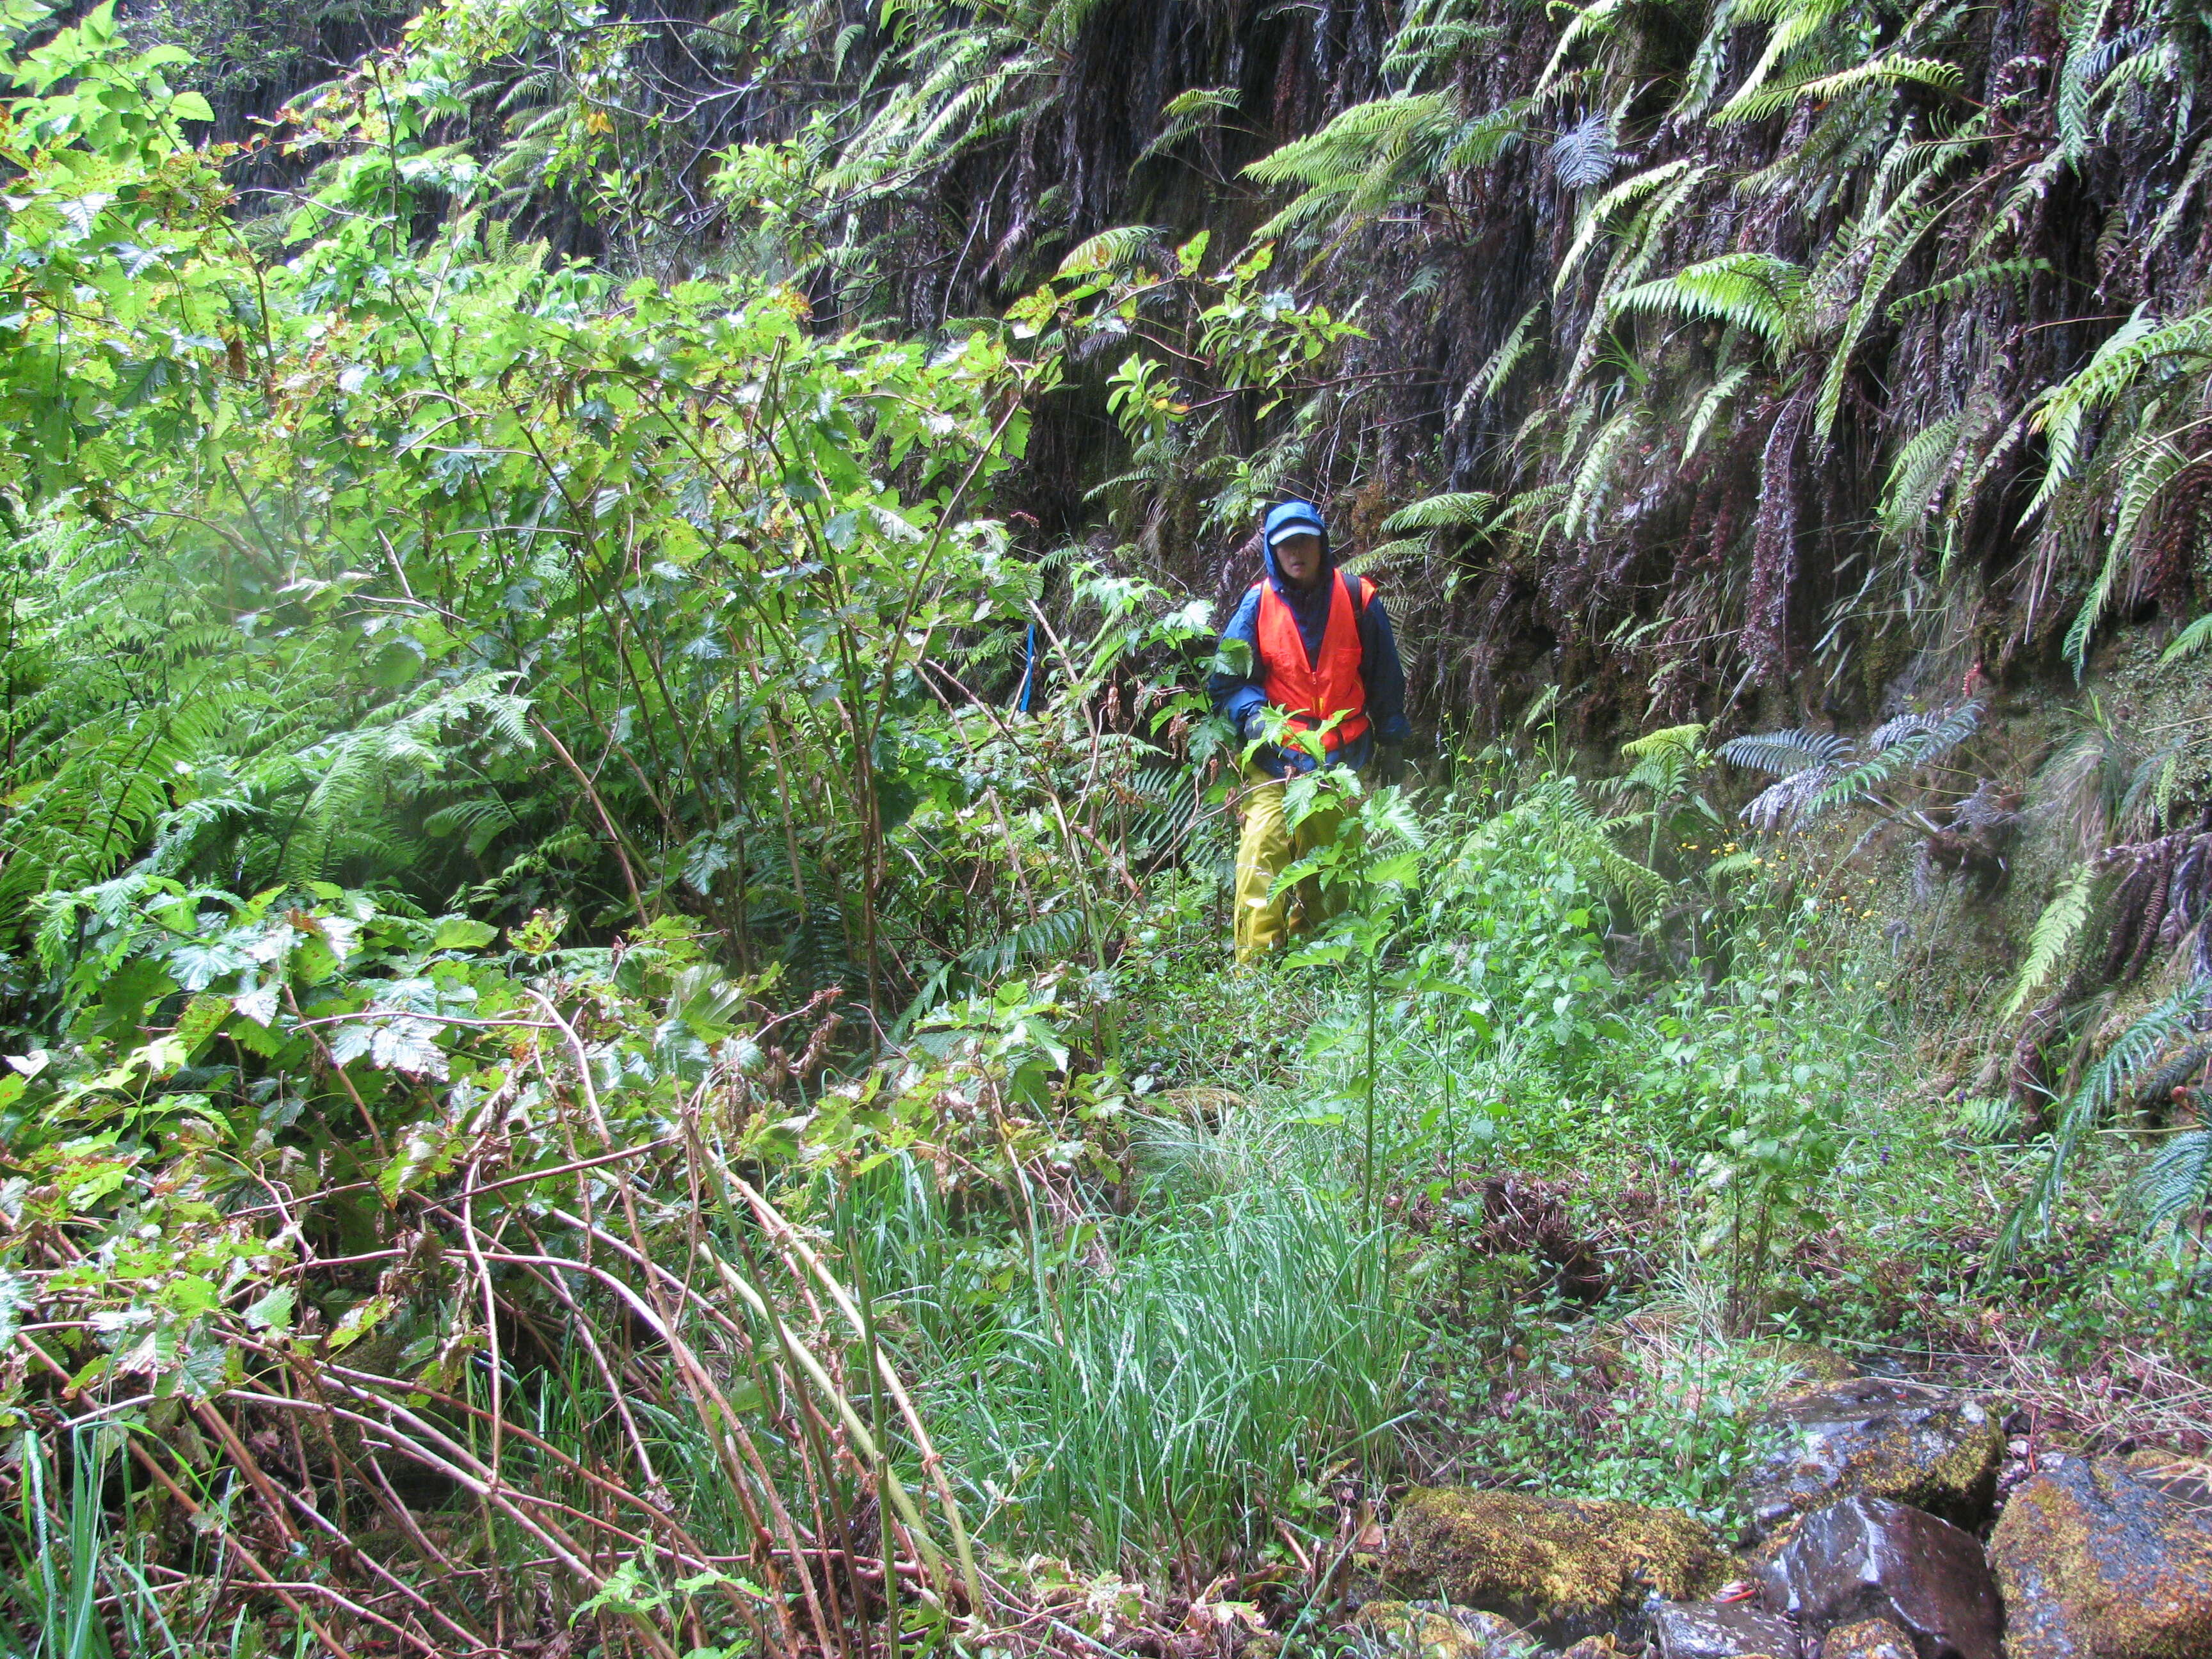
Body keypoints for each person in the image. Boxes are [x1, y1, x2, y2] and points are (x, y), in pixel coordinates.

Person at [1210, 499, 1411, 962]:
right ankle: (1254, 973)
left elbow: (1386, 678)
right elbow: (1226, 682)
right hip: (1276, 759)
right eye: (1285, 546)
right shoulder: (1257, 604)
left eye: (1304, 541)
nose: (1296, 552)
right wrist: (1257, 718)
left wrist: (1394, 740)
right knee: (1262, 854)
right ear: (1273, 553)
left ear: (1322, 543)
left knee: (1333, 866)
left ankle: (1318, 962)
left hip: (1340, 761)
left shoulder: (1360, 599)